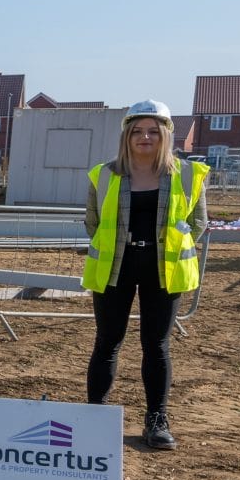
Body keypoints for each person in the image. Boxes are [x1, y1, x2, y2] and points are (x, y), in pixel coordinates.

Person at [84, 99, 209, 450]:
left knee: (156, 346)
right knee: (107, 342)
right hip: (115, 268)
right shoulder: (105, 174)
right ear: (126, 135)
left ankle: (156, 419)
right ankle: (95, 416)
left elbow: (197, 223)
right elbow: (93, 222)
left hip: (163, 270)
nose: (145, 137)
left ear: (166, 135)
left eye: (154, 131)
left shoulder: (186, 174)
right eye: (137, 131)